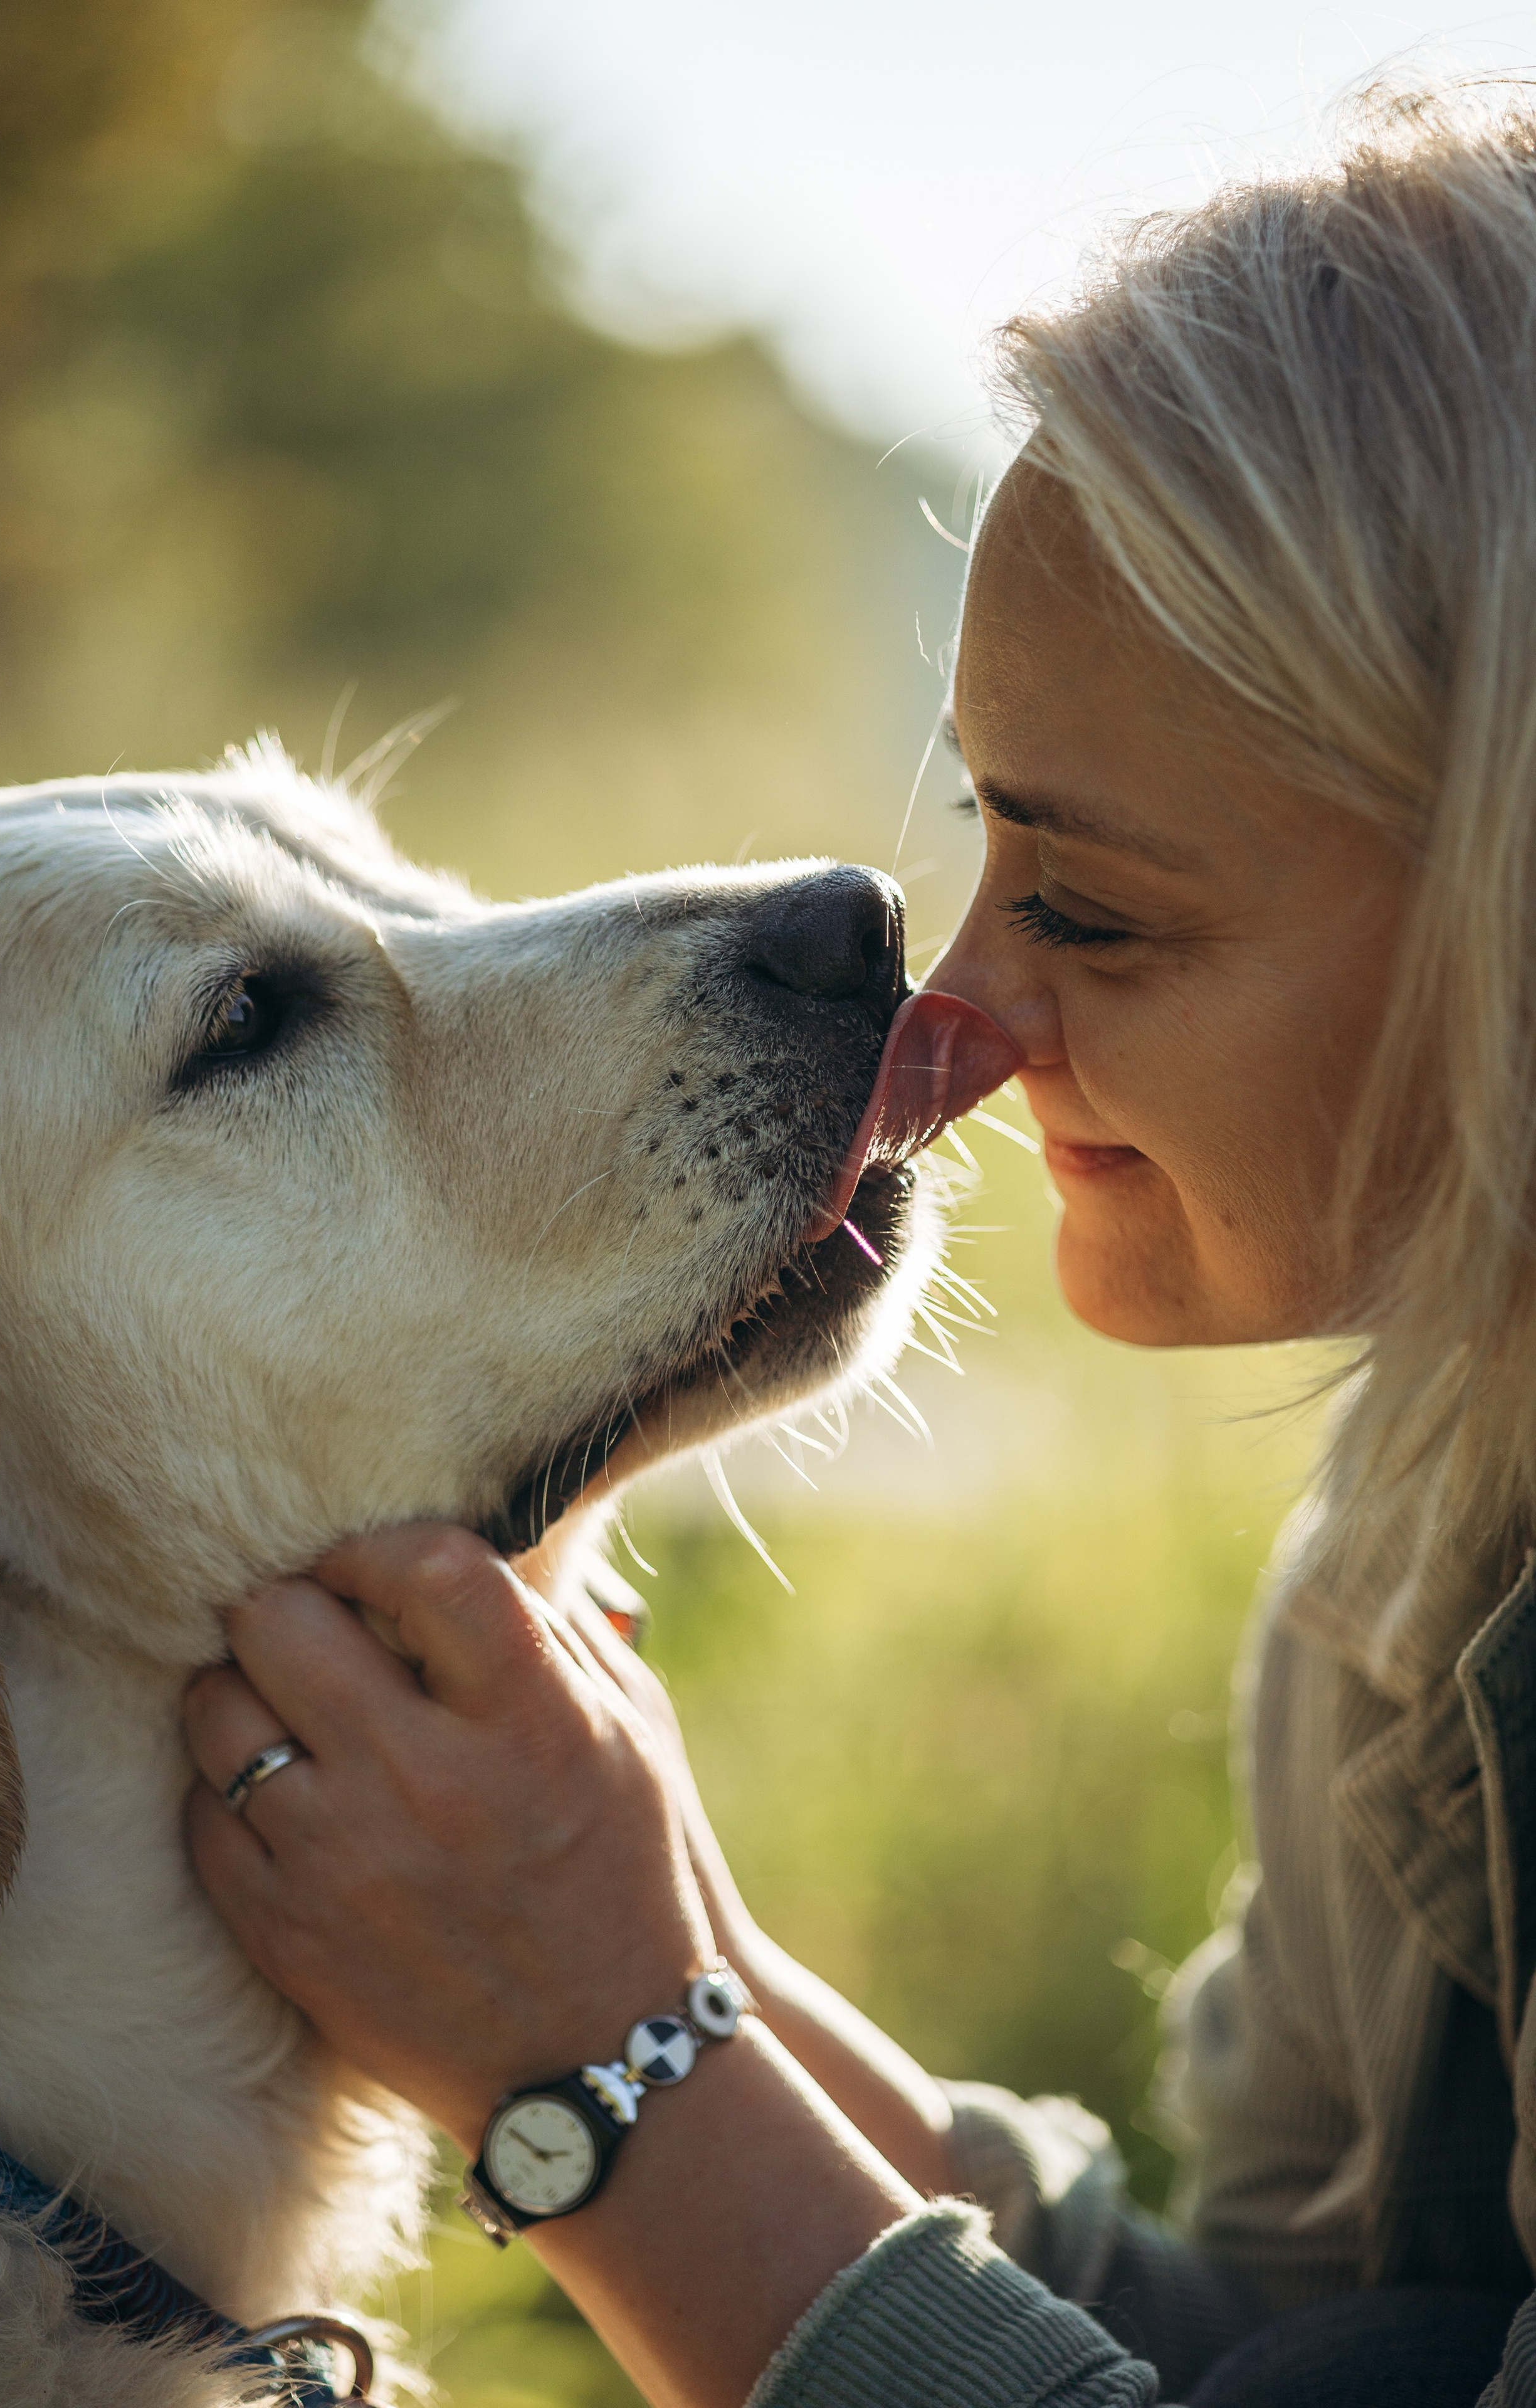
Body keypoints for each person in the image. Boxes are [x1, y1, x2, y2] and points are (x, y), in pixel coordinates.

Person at [182, 81, 1536, 2408]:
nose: (951, 1031)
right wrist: (651, 1937)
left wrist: (597, 2080)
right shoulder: (1424, 1518)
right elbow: (1294, 2352)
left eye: (1097, 912)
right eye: (987, 850)